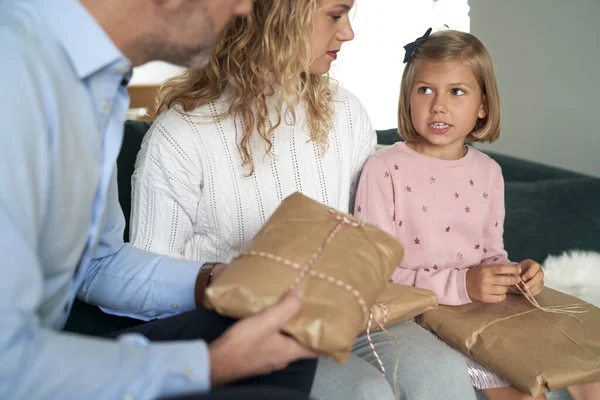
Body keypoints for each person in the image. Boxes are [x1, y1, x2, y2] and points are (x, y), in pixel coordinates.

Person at [129, 3, 477, 400]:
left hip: (352, 315)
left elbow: (373, 238)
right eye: (335, 15)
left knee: (442, 373)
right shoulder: (180, 136)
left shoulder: (345, 113)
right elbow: (146, 283)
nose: (348, 33)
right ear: (276, 16)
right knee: (362, 391)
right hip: (244, 329)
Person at [0, 0, 321, 399]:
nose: (244, 9)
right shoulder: (14, 68)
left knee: (282, 344)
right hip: (16, 368)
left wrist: (211, 281)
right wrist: (209, 366)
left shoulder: (94, 85)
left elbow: (98, 264)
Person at [354, 28, 600, 400]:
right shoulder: (384, 168)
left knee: (587, 370)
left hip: (486, 312)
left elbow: (490, 255)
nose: (439, 105)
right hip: (425, 319)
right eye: (425, 90)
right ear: (407, 99)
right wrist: (463, 286)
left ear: (482, 105)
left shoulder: (488, 172)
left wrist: (514, 275)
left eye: (456, 91)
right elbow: (375, 275)